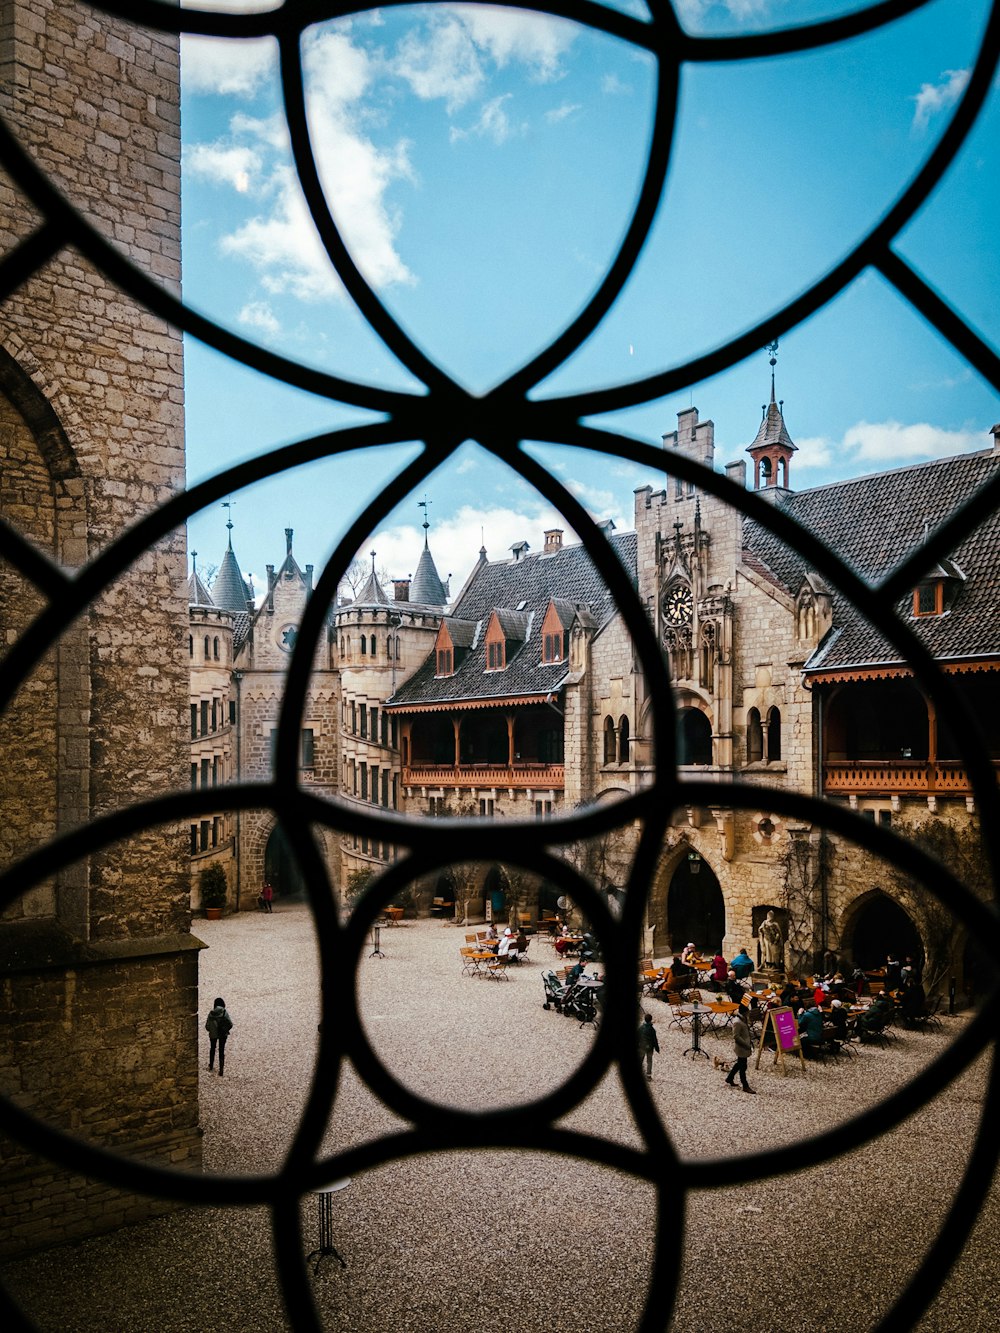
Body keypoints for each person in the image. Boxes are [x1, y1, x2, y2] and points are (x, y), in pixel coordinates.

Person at [724, 1009, 755, 1093]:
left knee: (739, 1064)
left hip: (744, 1047)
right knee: (743, 1067)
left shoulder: (743, 1019)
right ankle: (745, 1085)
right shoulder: (737, 1022)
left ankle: (729, 1078)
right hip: (742, 1048)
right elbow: (736, 1036)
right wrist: (746, 1045)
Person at [205, 996, 233, 1076]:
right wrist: (225, 1029)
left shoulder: (211, 1014)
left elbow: (207, 1026)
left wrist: (212, 1030)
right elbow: (230, 1024)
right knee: (221, 1050)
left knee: (212, 1049)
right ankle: (221, 1070)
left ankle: (211, 1065)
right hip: (222, 1034)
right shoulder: (224, 1012)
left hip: (213, 1034)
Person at [637, 1012, 660, 1080]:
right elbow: (655, 1040)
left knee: (640, 1060)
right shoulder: (652, 1030)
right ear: (651, 1020)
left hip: (641, 1047)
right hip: (649, 1048)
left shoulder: (641, 1028)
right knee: (649, 1061)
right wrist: (657, 1048)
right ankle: (648, 1075)